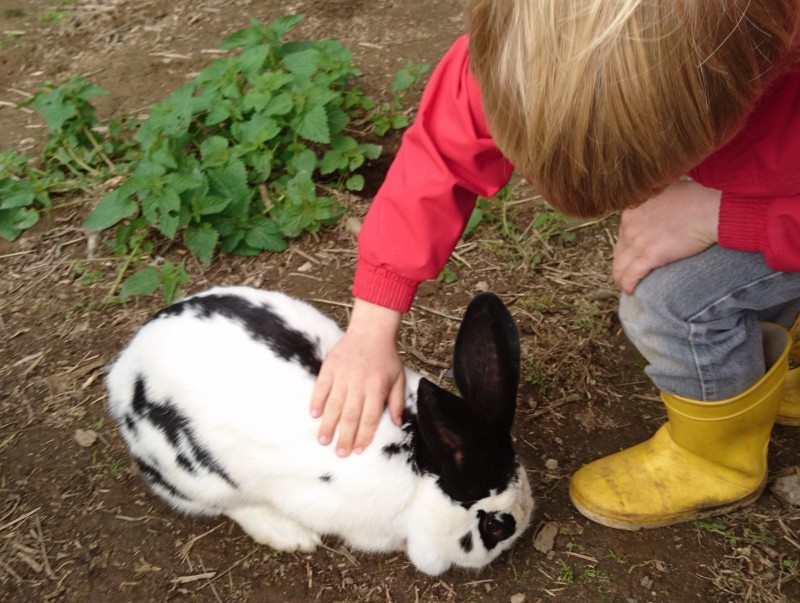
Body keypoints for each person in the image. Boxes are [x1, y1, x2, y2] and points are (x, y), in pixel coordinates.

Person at [309, 0, 800, 528]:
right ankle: (767, 371)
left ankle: (718, 461)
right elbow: (441, 156)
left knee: (673, 299)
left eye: (663, 174)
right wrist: (370, 326)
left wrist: (727, 217)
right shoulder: (528, 47)